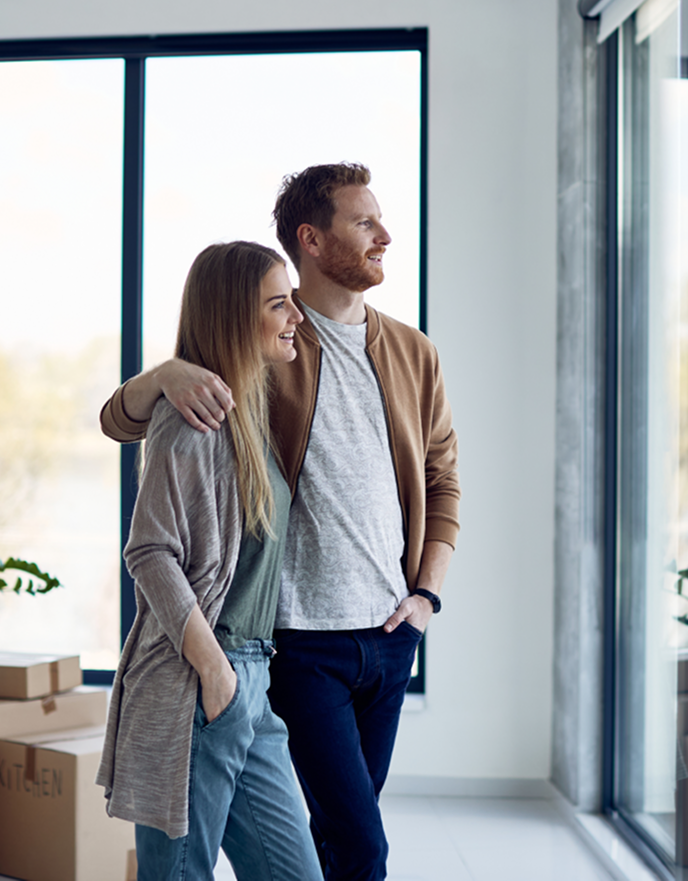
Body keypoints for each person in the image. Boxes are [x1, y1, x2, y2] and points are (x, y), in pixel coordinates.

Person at [98, 162, 460, 881]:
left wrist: (425, 598)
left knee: (337, 837)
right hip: (286, 643)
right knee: (357, 845)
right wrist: (161, 375)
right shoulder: (271, 351)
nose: (384, 235)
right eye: (364, 222)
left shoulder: (412, 353)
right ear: (313, 239)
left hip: (385, 636)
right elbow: (127, 428)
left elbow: (442, 479)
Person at [96, 241, 322, 881]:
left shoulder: (248, 406)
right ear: (232, 317)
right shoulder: (190, 418)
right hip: (203, 679)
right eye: (279, 304)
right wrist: (215, 673)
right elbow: (149, 552)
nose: (295, 318)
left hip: (251, 681)